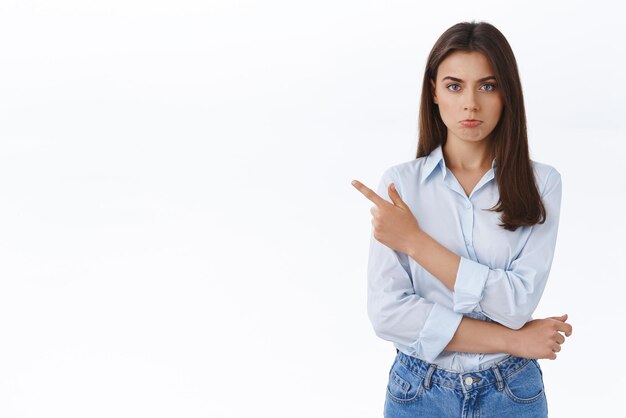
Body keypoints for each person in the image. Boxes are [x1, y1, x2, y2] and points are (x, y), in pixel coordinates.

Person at [351, 20, 573, 417]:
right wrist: (513, 341)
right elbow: (389, 315)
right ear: (434, 92)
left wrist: (415, 243)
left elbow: (517, 305)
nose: (470, 103)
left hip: (512, 393)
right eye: (454, 86)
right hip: (419, 391)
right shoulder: (402, 184)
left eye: (487, 85)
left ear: (507, 93)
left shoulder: (542, 183)